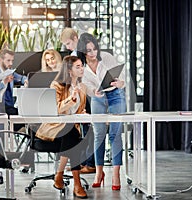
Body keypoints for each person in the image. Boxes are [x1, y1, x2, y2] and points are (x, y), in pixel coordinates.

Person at [77, 33, 126, 190]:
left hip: (115, 95)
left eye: (94, 49)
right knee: (99, 134)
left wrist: (120, 82)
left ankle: (116, 174)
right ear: (82, 52)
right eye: (88, 51)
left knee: (115, 134)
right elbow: (85, 86)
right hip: (98, 97)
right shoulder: (81, 66)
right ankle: (99, 172)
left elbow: (122, 76)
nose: (93, 54)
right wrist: (93, 92)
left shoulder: (106, 57)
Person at [36, 56, 88, 198]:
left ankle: (59, 175)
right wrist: (71, 100)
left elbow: (79, 110)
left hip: (70, 132)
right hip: (54, 130)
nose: (82, 68)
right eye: (78, 67)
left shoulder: (82, 87)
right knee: (72, 136)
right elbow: (56, 109)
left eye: (82, 66)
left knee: (71, 135)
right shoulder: (56, 85)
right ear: (69, 71)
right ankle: (77, 184)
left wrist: (82, 112)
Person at [61, 28, 96, 174]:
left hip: (86, 94)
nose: (68, 47)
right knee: (81, 131)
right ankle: (81, 163)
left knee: (88, 131)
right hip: (79, 93)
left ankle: (90, 163)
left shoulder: (82, 55)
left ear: (76, 38)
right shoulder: (75, 55)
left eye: (69, 43)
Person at [0, 48, 27, 150]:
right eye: (8, 60)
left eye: (12, 60)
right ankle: (1, 145)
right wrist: (3, 82)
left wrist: (26, 81)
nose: (11, 63)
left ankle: (5, 137)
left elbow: (21, 78)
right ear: (0, 60)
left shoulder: (9, 71)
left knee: (21, 114)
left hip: (7, 105)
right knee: (7, 115)